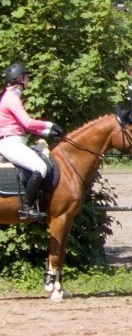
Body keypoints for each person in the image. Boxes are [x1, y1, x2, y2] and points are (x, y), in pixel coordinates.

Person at [0, 62, 64, 220]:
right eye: (26, 77)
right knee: (40, 167)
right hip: (9, 143)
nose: (28, 80)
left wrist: (46, 132)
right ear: (19, 79)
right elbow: (28, 123)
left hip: (14, 141)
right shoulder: (11, 98)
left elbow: (24, 126)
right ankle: (26, 208)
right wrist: (49, 125)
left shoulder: (10, 96)